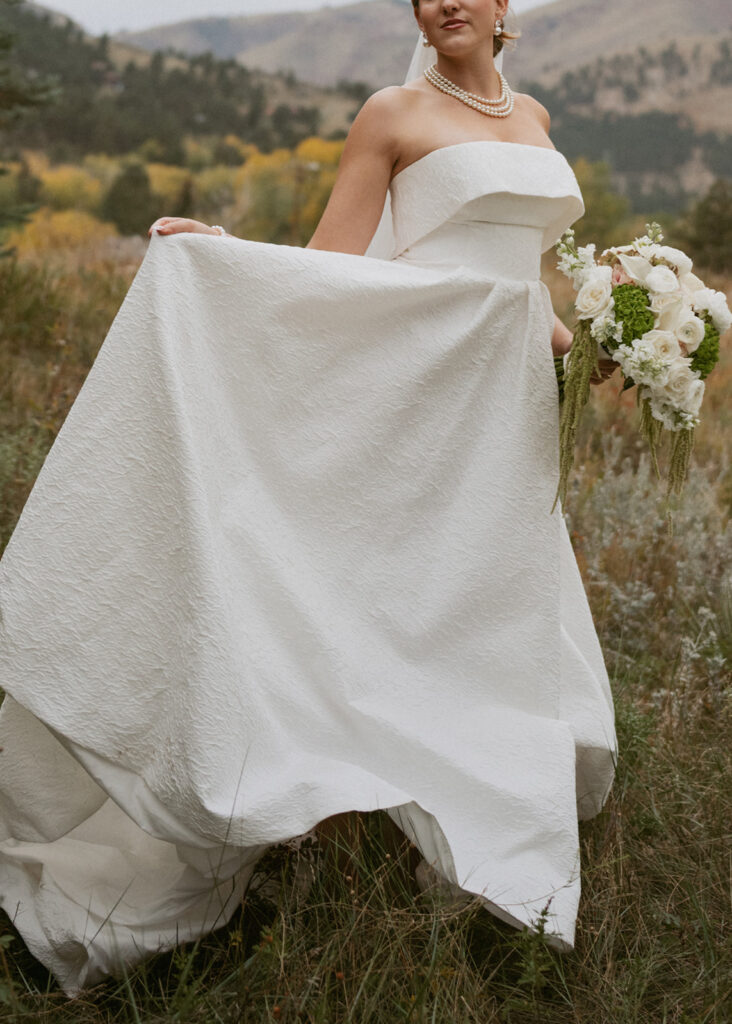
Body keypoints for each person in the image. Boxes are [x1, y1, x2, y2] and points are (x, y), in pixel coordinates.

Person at [0, 0, 618, 997]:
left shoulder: (537, 118)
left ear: (507, 4)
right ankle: (304, 811)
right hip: (415, 400)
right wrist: (222, 259)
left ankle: (456, 853)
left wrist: (596, 340)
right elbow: (329, 267)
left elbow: (525, 284)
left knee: (480, 614)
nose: (446, 1)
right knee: (384, 610)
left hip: (503, 415)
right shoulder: (391, 112)